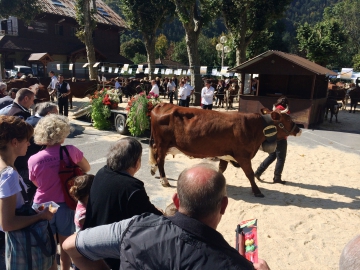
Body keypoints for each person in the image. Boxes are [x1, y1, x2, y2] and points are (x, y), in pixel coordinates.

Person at [63, 163, 270, 270]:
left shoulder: (136, 227)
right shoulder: (235, 265)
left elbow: (70, 245)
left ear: (176, 200)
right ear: (223, 206)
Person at [83, 137, 162, 270]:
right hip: (112, 256)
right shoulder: (131, 187)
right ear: (137, 162)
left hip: (90, 247)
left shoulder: (102, 172)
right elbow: (152, 219)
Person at [28, 114, 90, 270]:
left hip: (43, 205)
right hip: (66, 204)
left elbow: (36, 183)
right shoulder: (71, 151)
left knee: (47, 245)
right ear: (62, 134)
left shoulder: (34, 159)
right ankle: (65, 268)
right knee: (66, 244)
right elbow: (87, 168)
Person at [0, 116, 54, 269]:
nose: (29, 144)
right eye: (26, 140)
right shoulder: (8, 175)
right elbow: (7, 223)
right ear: (14, 142)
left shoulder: (5, 167)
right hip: (9, 246)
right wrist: (40, 216)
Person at [14, 102, 58, 205]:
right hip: (30, 166)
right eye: (56, 113)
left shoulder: (29, 119)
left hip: (20, 163)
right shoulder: (44, 126)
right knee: (33, 191)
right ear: (49, 113)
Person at [254, 96, 290, 184]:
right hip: (281, 138)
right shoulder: (285, 111)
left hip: (273, 136)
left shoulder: (274, 110)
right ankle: (277, 177)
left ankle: (258, 172)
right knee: (281, 158)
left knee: (272, 156)